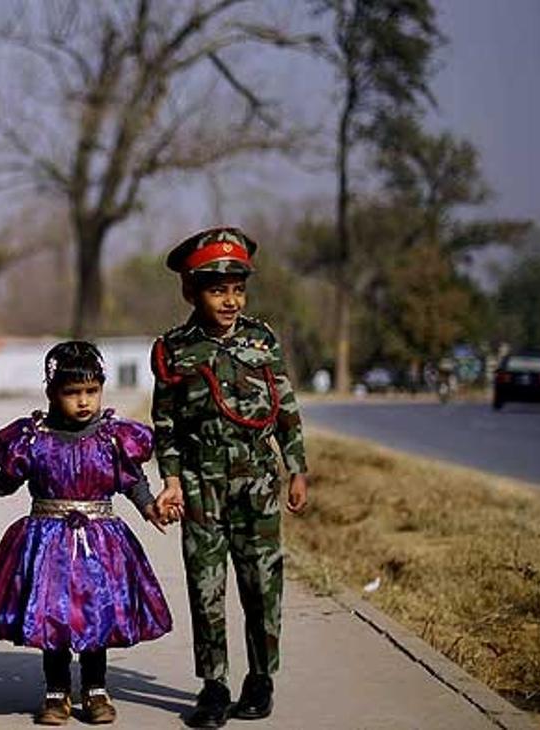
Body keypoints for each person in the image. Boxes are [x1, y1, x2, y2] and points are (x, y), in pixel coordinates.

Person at [0, 341, 172, 726]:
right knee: (54, 617)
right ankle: (56, 690)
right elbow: (5, 482)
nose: (83, 401)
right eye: (72, 393)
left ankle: (96, 688)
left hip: (102, 543)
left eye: (91, 392)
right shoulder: (33, 439)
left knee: (98, 615)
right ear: (51, 393)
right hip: (48, 544)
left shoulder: (114, 438)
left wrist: (151, 508)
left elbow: (132, 482)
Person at [149, 227, 308, 729]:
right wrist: (171, 479)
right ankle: (214, 685)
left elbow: (285, 409)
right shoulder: (175, 348)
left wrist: (296, 467)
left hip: (257, 481)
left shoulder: (262, 339)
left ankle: (261, 679)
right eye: (218, 290)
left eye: (238, 288)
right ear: (191, 291)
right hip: (201, 484)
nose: (231, 300)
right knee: (206, 586)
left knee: (262, 584)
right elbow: (165, 423)